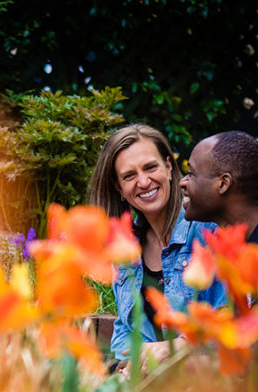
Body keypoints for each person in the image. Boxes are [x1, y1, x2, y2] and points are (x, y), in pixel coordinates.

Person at [88, 124, 226, 366]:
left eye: (150, 168)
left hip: (206, 383)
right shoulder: (125, 249)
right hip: (146, 383)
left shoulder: (208, 232)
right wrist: (125, 365)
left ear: (169, 167)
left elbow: (231, 318)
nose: (143, 182)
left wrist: (179, 346)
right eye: (129, 176)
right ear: (118, 187)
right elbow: (125, 328)